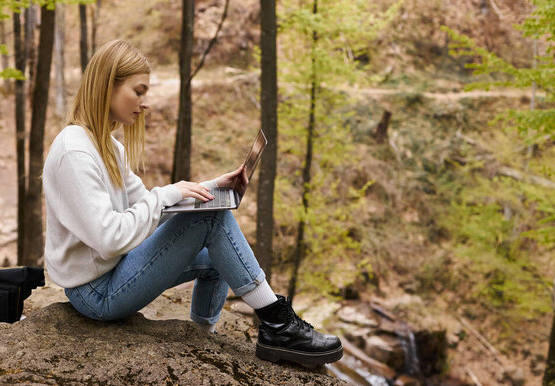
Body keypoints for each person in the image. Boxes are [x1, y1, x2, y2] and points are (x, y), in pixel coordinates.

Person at [43, 39, 342, 367]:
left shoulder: (109, 147)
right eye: (138, 91)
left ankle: (201, 340)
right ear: (108, 84)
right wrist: (169, 192)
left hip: (111, 272)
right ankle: (277, 323)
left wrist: (210, 187)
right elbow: (109, 237)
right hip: (96, 294)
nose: (144, 103)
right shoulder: (75, 151)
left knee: (220, 251)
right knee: (212, 220)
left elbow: (148, 208)